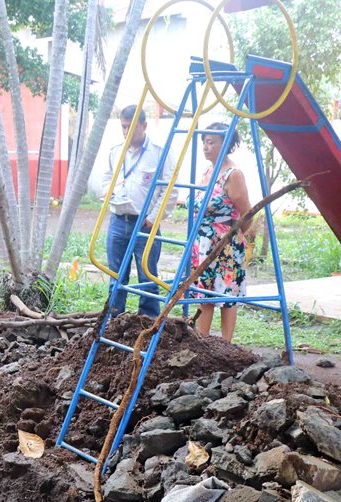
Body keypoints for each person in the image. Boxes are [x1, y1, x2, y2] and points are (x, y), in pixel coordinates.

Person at [101, 105, 174, 318]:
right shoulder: (116, 151)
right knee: (116, 276)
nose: (126, 132)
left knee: (147, 278)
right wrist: (109, 193)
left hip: (144, 224)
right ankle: (114, 321)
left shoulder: (159, 152)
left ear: (144, 126)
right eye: (123, 127)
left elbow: (170, 189)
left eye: (131, 127)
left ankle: (148, 323)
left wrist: (153, 218)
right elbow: (107, 177)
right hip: (118, 220)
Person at [189, 122, 253, 341]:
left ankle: (227, 345)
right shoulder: (208, 171)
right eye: (204, 142)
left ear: (226, 144)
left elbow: (247, 213)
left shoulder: (233, 174)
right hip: (203, 242)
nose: (205, 147)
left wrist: (232, 238)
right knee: (204, 293)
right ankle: (202, 342)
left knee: (227, 295)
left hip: (225, 244)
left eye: (211, 142)